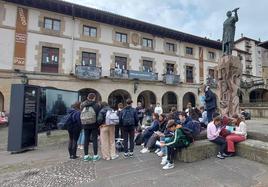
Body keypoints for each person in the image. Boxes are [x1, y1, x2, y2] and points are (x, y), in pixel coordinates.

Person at [80, 93, 101, 162]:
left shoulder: (82, 105)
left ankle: (86, 156)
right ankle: (95, 156)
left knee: (86, 139)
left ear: (88, 97)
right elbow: (98, 115)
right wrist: (98, 124)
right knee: (94, 139)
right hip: (94, 124)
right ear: (94, 98)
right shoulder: (96, 105)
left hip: (85, 124)